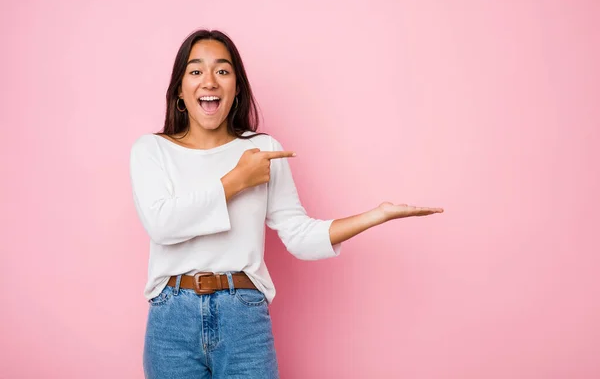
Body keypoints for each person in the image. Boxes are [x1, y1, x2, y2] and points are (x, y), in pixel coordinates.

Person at [129, 29, 443, 379]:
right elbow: (162, 225)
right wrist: (237, 180)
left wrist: (375, 215)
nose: (210, 81)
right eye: (196, 70)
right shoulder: (151, 150)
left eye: (222, 70)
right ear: (180, 91)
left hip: (243, 315)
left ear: (236, 89)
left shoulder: (263, 149)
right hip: (171, 318)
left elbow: (299, 235)